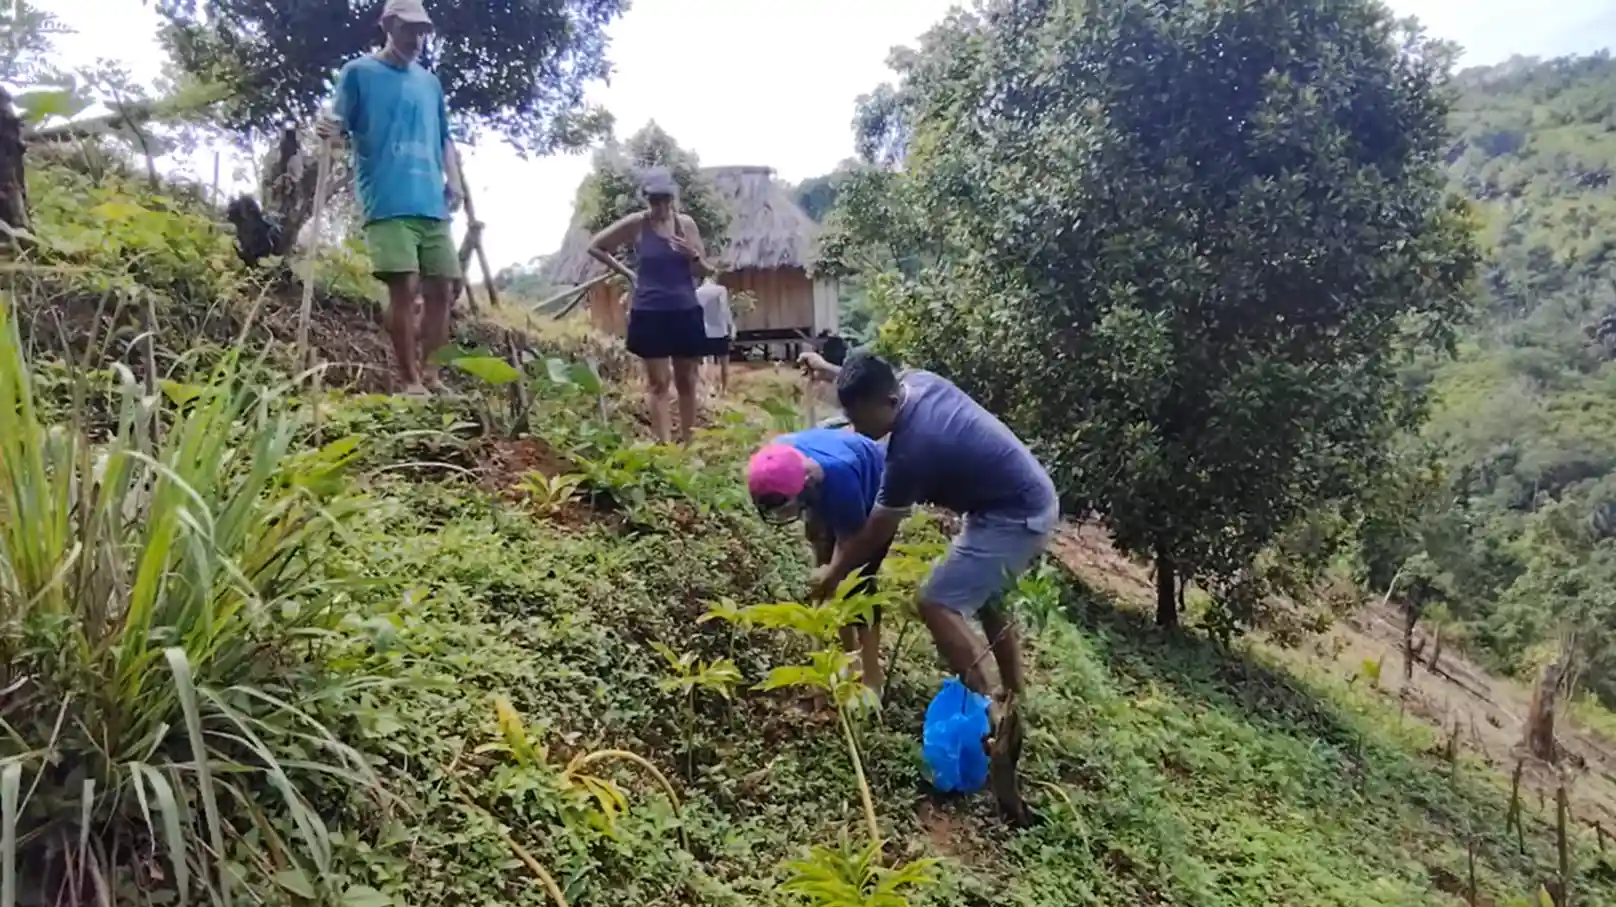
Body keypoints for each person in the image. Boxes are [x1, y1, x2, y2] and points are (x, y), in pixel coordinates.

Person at [805, 350, 1058, 823]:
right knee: (985, 595)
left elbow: (877, 529)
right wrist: (830, 372)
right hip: (1018, 498)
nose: (857, 431)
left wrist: (831, 574)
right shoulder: (916, 381)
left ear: (886, 401)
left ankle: (990, 716)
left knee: (935, 600)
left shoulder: (912, 449)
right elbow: (876, 384)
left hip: (1015, 516)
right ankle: (1016, 695)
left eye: (860, 419)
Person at [318, 0, 464, 397]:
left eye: (422, 32)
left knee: (443, 289)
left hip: (431, 200)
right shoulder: (358, 73)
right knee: (405, 285)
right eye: (408, 30)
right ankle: (409, 380)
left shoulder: (429, 83)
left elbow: (445, 137)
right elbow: (336, 126)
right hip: (387, 198)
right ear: (388, 25)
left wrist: (454, 180)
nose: (417, 39)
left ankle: (433, 375)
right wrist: (326, 127)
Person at [747, 427, 888, 692]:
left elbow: (851, 546)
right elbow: (819, 542)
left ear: (804, 487)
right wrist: (823, 570)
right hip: (822, 483)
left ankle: (872, 676)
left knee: (858, 583)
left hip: (872, 487)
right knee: (824, 560)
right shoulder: (773, 463)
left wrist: (832, 574)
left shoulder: (842, 478)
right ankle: (850, 660)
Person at [588, 168, 715, 444]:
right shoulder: (637, 224)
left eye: (665, 200)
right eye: (654, 200)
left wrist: (691, 255)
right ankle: (664, 447)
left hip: (684, 309)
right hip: (650, 311)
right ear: (646, 199)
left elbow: (704, 270)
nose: (660, 206)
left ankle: (689, 444)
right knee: (658, 383)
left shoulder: (687, 225)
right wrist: (628, 274)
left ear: (673, 198)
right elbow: (596, 246)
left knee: (687, 381)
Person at [697, 275, 734, 398]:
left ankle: (709, 388)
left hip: (705, 331)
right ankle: (724, 390)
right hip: (720, 330)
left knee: (707, 361)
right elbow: (725, 310)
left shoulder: (697, 292)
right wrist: (731, 326)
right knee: (724, 362)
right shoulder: (721, 290)